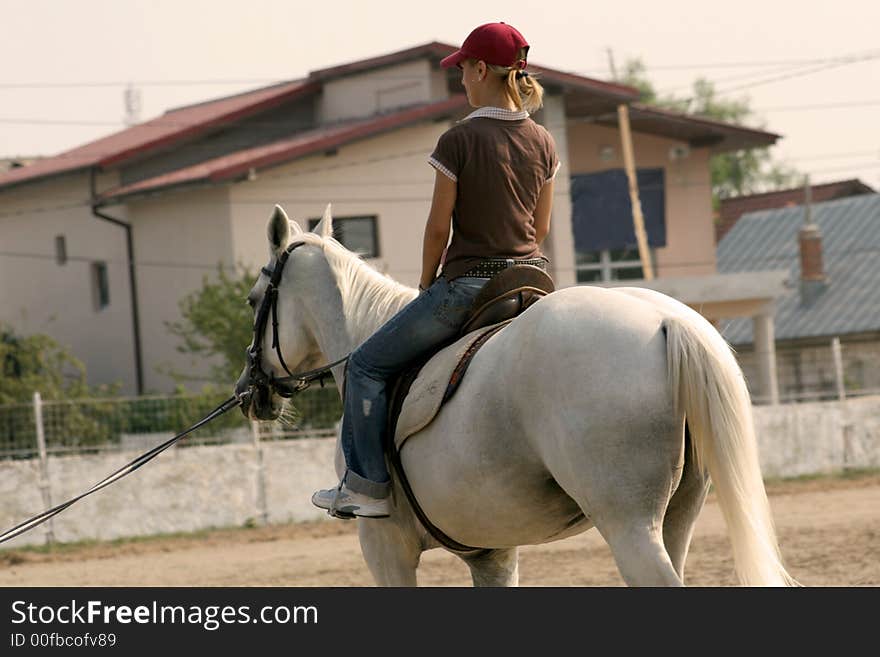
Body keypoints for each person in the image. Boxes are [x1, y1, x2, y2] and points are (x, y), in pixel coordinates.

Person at [312, 21, 560, 518]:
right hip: (531, 282)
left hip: (467, 288)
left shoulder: (458, 140)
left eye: (464, 70)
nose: (461, 80)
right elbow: (542, 225)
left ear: (483, 70)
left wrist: (427, 285)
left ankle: (367, 488)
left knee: (364, 366)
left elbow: (436, 230)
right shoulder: (544, 141)